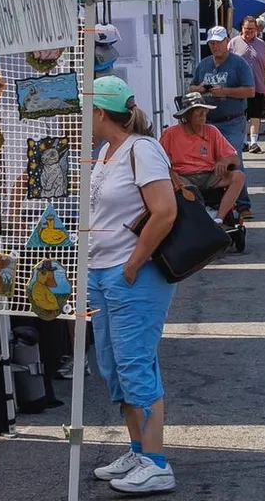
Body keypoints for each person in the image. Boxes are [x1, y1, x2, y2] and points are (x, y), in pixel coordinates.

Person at [85, 77, 180, 495]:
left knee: (136, 364)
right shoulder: (107, 151)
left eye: (86, 111)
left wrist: (133, 264)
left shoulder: (142, 149)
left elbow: (165, 211)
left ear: (101, 113)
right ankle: (139, 449)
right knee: (113, 366)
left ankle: (156, 462)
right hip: (105, 274)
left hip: (132, 276)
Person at [159, 95, 246, 253]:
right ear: (187, 116)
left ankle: (219, 218)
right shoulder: (170, 134)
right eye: (198, 113)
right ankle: (195, 224)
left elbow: (234, 157)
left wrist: (225, 161)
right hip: (183, 176)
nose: (203, 117)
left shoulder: (211, 131)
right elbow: (160, 162)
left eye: (205, 113)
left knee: (238, 176)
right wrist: (173, 177)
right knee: (176, 186)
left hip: (209, 174)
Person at [186, 26, 255, 217]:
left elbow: (250, 91)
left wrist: (225, 92)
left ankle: (243, 205)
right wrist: (201, 89)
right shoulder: (204, 64)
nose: (215, 46)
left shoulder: (238, 64)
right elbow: (191, 86)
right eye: (212, 42)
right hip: (207, 122)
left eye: (218, 42)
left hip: (232, 121)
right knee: (206, 161)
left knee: (233, 159)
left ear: (227, 42)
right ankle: (214, 202)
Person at [229, 16, 265, 153]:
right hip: (239, 87)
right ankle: (243, 142)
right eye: (247, 28)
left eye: (253, 29)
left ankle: (254, 142)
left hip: (257, 85)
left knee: (255, 114)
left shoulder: (261, 44)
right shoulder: (233, 43)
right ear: (241, 28)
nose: (249, 31)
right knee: (241, 115)